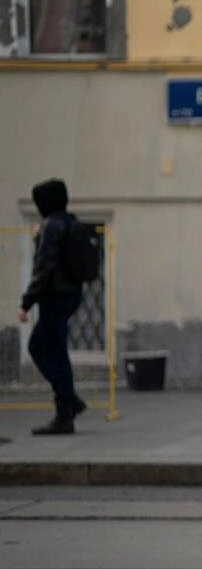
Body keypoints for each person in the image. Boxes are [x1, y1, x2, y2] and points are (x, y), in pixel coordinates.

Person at [17, 179, 88, 435]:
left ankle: (65, 412)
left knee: (46, 349)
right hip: (71, 294)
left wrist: (27, 303)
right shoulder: (71, 222)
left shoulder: (51, 226)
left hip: (54, 297)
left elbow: (44, 267)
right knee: (47, 348)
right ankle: (69, 402)